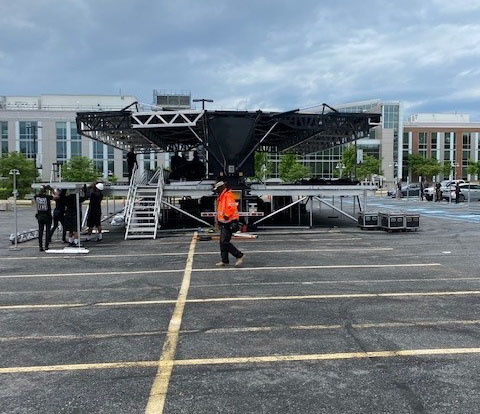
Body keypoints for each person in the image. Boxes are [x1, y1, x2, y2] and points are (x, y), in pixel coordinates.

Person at [214, 181, 244, 267]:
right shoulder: (222, 196)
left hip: (229, 221)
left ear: (221, 187)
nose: (216, 191)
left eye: (217, 189)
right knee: (222, 242)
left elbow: (231, 207)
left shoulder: (227, 195)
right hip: (224, 222)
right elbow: (220, 210)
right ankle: (224, 260)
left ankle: (239, 255)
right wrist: (219, 221)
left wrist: (226, 216)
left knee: (224, 242)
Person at [34, 185, 53, 252]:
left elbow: (37, 195)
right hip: (47, 215)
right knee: (47, 231)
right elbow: (55, 196)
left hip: (40, 215)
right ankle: (46, 246)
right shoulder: (47, 197)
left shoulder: (36, 197)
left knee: (40, 231)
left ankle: (40, 246)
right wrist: (51, 190)